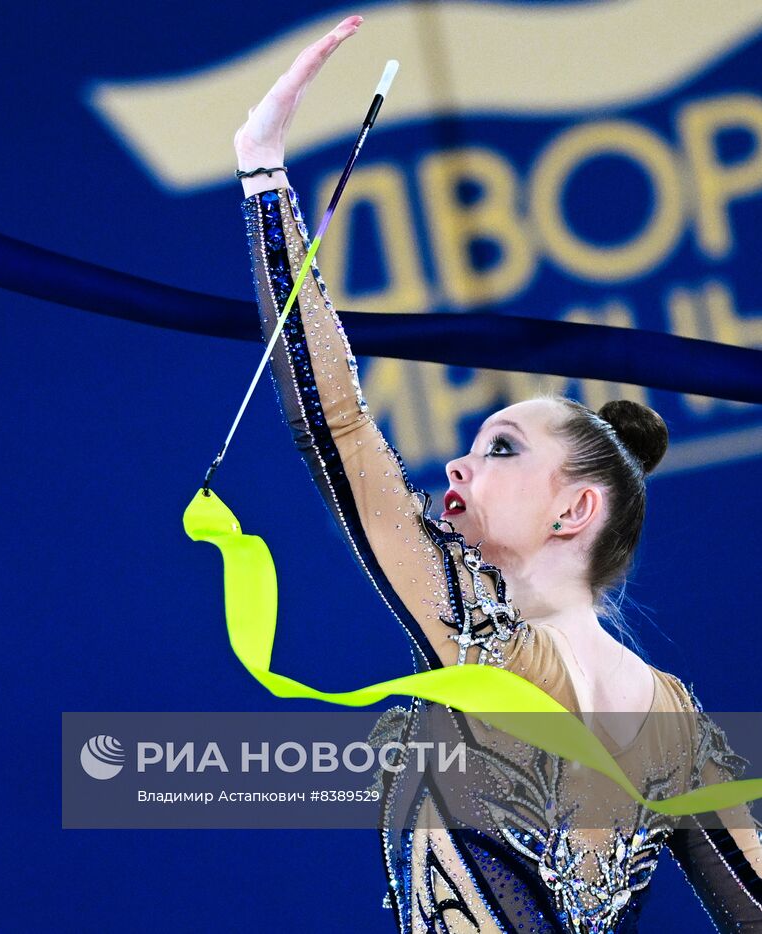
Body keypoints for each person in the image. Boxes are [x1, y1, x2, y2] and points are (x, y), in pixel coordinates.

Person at [233, 15, 762, 932]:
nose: (458, 462)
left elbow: (338, 424)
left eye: (502, 449)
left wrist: (262, 173)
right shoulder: (671, 718)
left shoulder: (477, 639)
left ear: (575, 510)